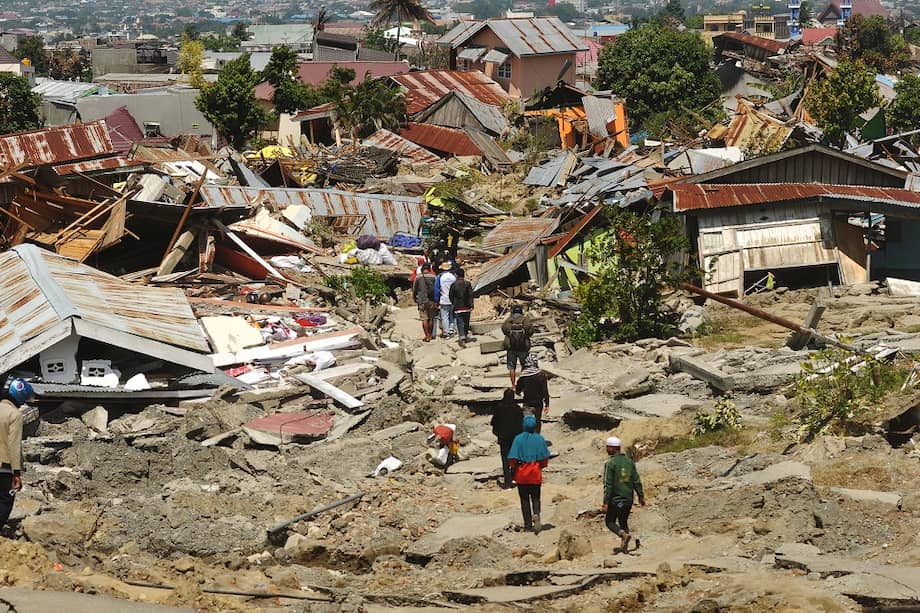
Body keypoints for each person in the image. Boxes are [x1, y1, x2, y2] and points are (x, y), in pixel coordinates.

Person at [602, 436, 645, 554]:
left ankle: (623, 535)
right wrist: (641, 496)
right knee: (623, 521)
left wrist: (605, 502)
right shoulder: (629, 462)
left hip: (616, 499)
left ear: (612, 448)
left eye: (607, 447)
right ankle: (624, 547)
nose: (606, 449)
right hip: (628, 498)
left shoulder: (610, 464)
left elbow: (608, 485)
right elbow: (636, 480)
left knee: (610, 522)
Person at [508, 414, 550, 533]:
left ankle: (527, 525)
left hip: (522, 473)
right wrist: (541, 466)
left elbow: (512, 458)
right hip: (535, 471)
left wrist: (514, 468)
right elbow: (545, 458)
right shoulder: (540, 439)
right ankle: (536, 513)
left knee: (524, 499)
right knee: (536, 497)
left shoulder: (518, 439)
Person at [0, 378, 29, 530]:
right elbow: (14, 445)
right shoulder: (15, 415)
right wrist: (16, 473)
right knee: (5, 500)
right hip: (4, 467)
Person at [491, 389, 524, 488]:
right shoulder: (517, 408)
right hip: (515, 437)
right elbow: (521, 423)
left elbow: (493, 422)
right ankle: (515, 477)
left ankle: (507, 481)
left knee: (505, 460)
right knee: (515, 458)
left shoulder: (499, 408)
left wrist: (497, 432)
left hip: (503, 437)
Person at [515, 355, 549, 433]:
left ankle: (527, 440)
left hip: (527, 403)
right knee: (537, 422)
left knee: (527, 423)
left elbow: (518, 389)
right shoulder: (541, 374)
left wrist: (518, 393)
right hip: (538, 403)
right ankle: (537, 439)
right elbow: (545, 391)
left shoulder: (523, 375)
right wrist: (547, 404)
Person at [502, 305, 533, 388]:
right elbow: (531, 332)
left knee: (512, 367)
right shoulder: (526, 320)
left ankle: (513, 385)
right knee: (525, 365)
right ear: (521, 312)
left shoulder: (508, 320)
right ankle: (521, 383)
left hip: (511, 347)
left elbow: (504, 330)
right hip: (523, 347)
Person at [412, 262, 438, 342]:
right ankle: (430, 335)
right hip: (432, 300)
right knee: (431, 318)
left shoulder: (418, 277)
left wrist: (415, 299)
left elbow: (414, 289)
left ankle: (427, 336)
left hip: (422, 300)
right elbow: (437, 289)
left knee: (424, 319)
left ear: (422, 268)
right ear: (429, 268)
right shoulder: (434, 276)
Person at [449, 268, 474, 347]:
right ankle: (465, 335)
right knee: (466, 322)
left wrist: (454, 303)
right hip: (467, 307)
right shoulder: (468, 284)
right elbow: (470, 295)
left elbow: (451, 296)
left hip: (458, 307)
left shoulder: (454, 284)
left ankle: (462, 338)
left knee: (460, 323)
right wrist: (471, 304)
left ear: (456, 275)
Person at [436, 262, 457, 339]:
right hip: (453, 300)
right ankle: (452, 330)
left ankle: (446, 332)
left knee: (444, 317)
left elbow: (437, 290)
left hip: (443, 299)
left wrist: (436, 300)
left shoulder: (440, 277)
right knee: (452, 315)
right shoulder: (453, 277)